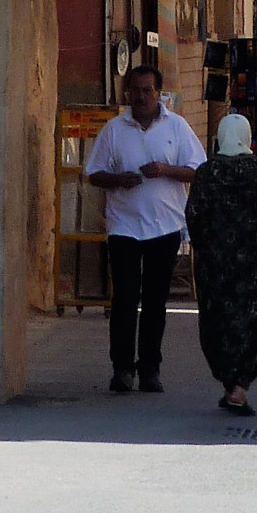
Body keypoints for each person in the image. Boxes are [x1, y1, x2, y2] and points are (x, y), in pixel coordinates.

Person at [84, 65, 206, 394]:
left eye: (147, 90)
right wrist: (119, 179)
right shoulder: (114, 130)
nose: (140, 96)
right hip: (124, 226)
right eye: (135, 90)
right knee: (124, 298)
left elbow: (198, 170)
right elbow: (94, 173)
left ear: (158, 93)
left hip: (164, 227)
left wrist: (165, 169)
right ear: (128, 93)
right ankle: (122, 368)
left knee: (155, 301)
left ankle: (150, 368)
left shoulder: (176, 127)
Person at [186, 113, 257, 415]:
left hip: (214, 266)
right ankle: (238, 386)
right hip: (256, 267)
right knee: (248, 325)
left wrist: (207, 248)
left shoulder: (206, 173)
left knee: (215, 323)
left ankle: (232, 384)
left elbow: (193, 214)